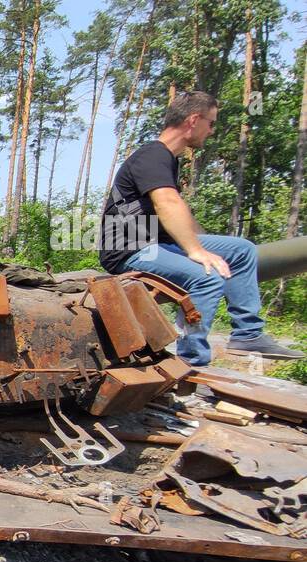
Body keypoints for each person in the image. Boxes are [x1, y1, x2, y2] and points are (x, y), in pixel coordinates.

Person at [98, 90, 302, 366]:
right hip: (128, 249)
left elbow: (181, 214)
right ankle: (190, 360)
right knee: (205, 277)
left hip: (155, 244)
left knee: (241, 250)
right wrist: (195, 251)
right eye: (212, 123)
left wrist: (204, 245)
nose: (212, 131)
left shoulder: (168, 159)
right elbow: (167, 202)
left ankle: (248, 333)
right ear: (194, 120)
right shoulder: (152, 155)